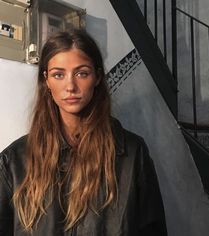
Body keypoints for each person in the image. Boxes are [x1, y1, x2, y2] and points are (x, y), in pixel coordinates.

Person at [0, 30, 167, 235]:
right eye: (58, 74)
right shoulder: (14, 161)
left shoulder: (131, 154)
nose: (70, 86)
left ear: (97, 77)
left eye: (82, 73)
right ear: (46, 80)